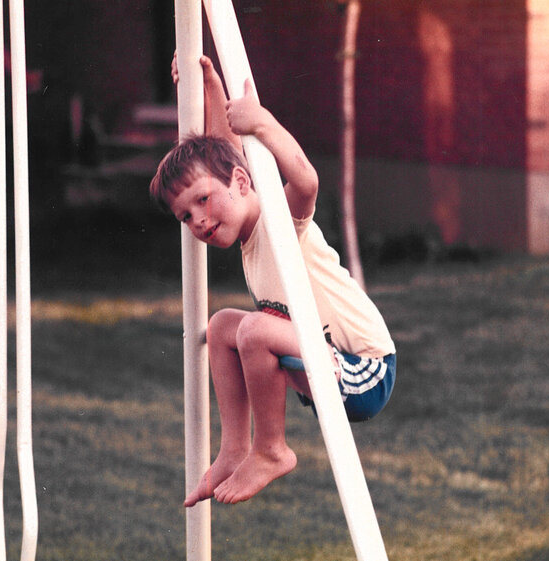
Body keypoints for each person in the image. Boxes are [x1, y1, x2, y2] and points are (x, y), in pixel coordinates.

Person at [150, 55, 396, 506]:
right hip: (319, 362)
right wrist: (209, 82)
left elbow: (305, 178)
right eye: (186, 215)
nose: (199, 220)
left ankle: (272, 449)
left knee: (253, 328)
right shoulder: (248, 232)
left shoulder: (279, 224)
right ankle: (234, 448)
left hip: (366, 369)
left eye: (202, 201)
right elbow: (225, 152)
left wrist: (262, 124)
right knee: (224, 324)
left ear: (243, 184)